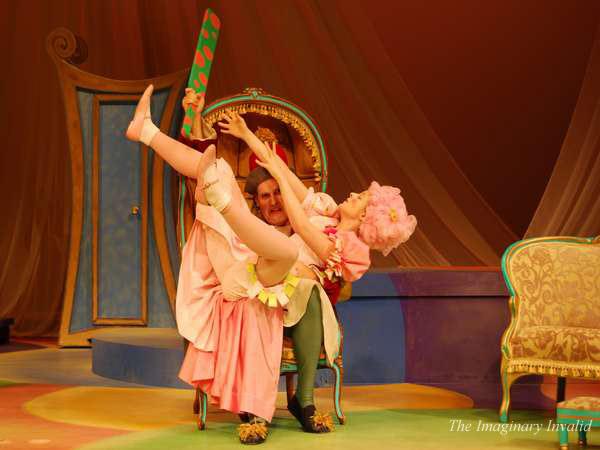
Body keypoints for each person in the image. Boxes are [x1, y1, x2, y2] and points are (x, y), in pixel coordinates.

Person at [126, 85, 417, 443]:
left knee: (289, 252)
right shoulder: (324, 205)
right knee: (215, 171)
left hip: (290, 288)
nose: (353, 195)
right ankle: (147, 131)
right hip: (261, 272)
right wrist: (249, 136)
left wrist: (281, 182)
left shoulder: (350, 247)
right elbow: (285, 174)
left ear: (368, 217)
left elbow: (304, 228)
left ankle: (302, 401)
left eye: (360, 199)